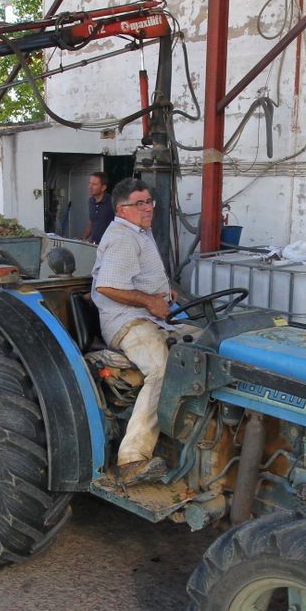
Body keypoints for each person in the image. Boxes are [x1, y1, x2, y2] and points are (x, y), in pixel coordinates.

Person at [91, 179, 197, 485]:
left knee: (208, 347)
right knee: (160, 370)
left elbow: (137, 277)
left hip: (153, 317)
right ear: (122, 209)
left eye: (149, 201)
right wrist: (150, 300)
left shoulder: (140, 233)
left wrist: (163, 292)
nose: (148, 207)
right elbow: (107, 286)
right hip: (127, 321)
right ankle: (132, 458)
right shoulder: (124, 238)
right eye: (140, 203)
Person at [82, 171, 114, 243]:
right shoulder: (91, 201)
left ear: (103, 187)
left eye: (94, 184)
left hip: (109, 246)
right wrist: (82, 240)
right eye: (89, 183)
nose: (89, 187)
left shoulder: (112, 202)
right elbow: (92, 222)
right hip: (95, 245)